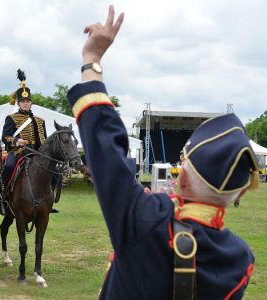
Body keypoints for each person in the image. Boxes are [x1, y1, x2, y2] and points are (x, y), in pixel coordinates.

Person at [66, 6, 259, 299]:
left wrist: (91, 60)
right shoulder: (240, 260)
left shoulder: (145, 217)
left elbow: (105, 143)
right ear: (240, 194)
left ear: (181, 180)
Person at [1, 69, 59, 213]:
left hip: (37, 153)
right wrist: (16, 141)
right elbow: (5, 136)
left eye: (28, 101)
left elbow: (43, 140)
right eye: (23, 101)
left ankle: (48, 201)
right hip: (19, 152)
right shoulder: (12, 118)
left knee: (55, 172)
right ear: (18, 103)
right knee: (8, 167)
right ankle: (3, 197)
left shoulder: (40, 121)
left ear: (31, 103)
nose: (25, 104)